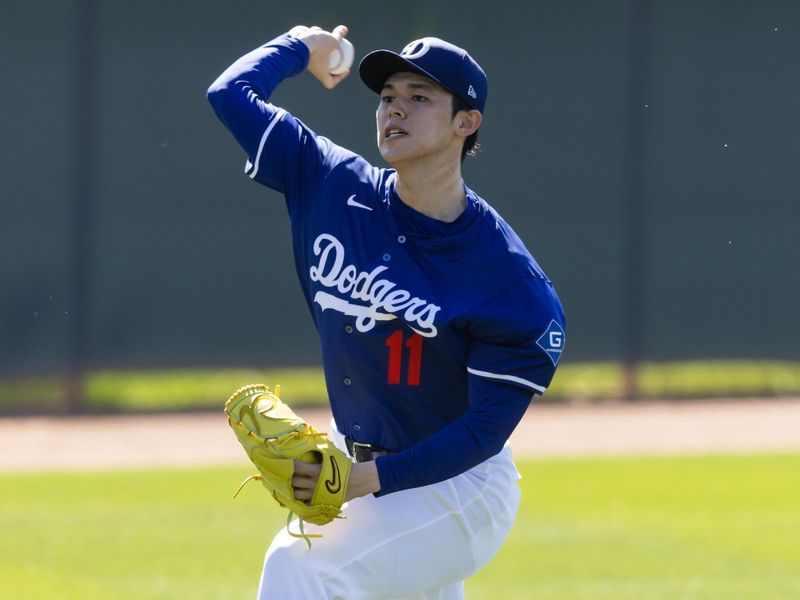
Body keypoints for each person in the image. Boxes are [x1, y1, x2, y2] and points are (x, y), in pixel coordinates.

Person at [207, 24, 566, 600]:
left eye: (419, 97)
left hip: (458, 488)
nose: (394, 108)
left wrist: (363, 481)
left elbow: (481, 432)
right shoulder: (328, 182)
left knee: (300, 567)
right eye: (387, 96)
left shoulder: (508, 279)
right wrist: (303, 44)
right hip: (360, 463)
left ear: (465, 123)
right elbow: (230, 95)